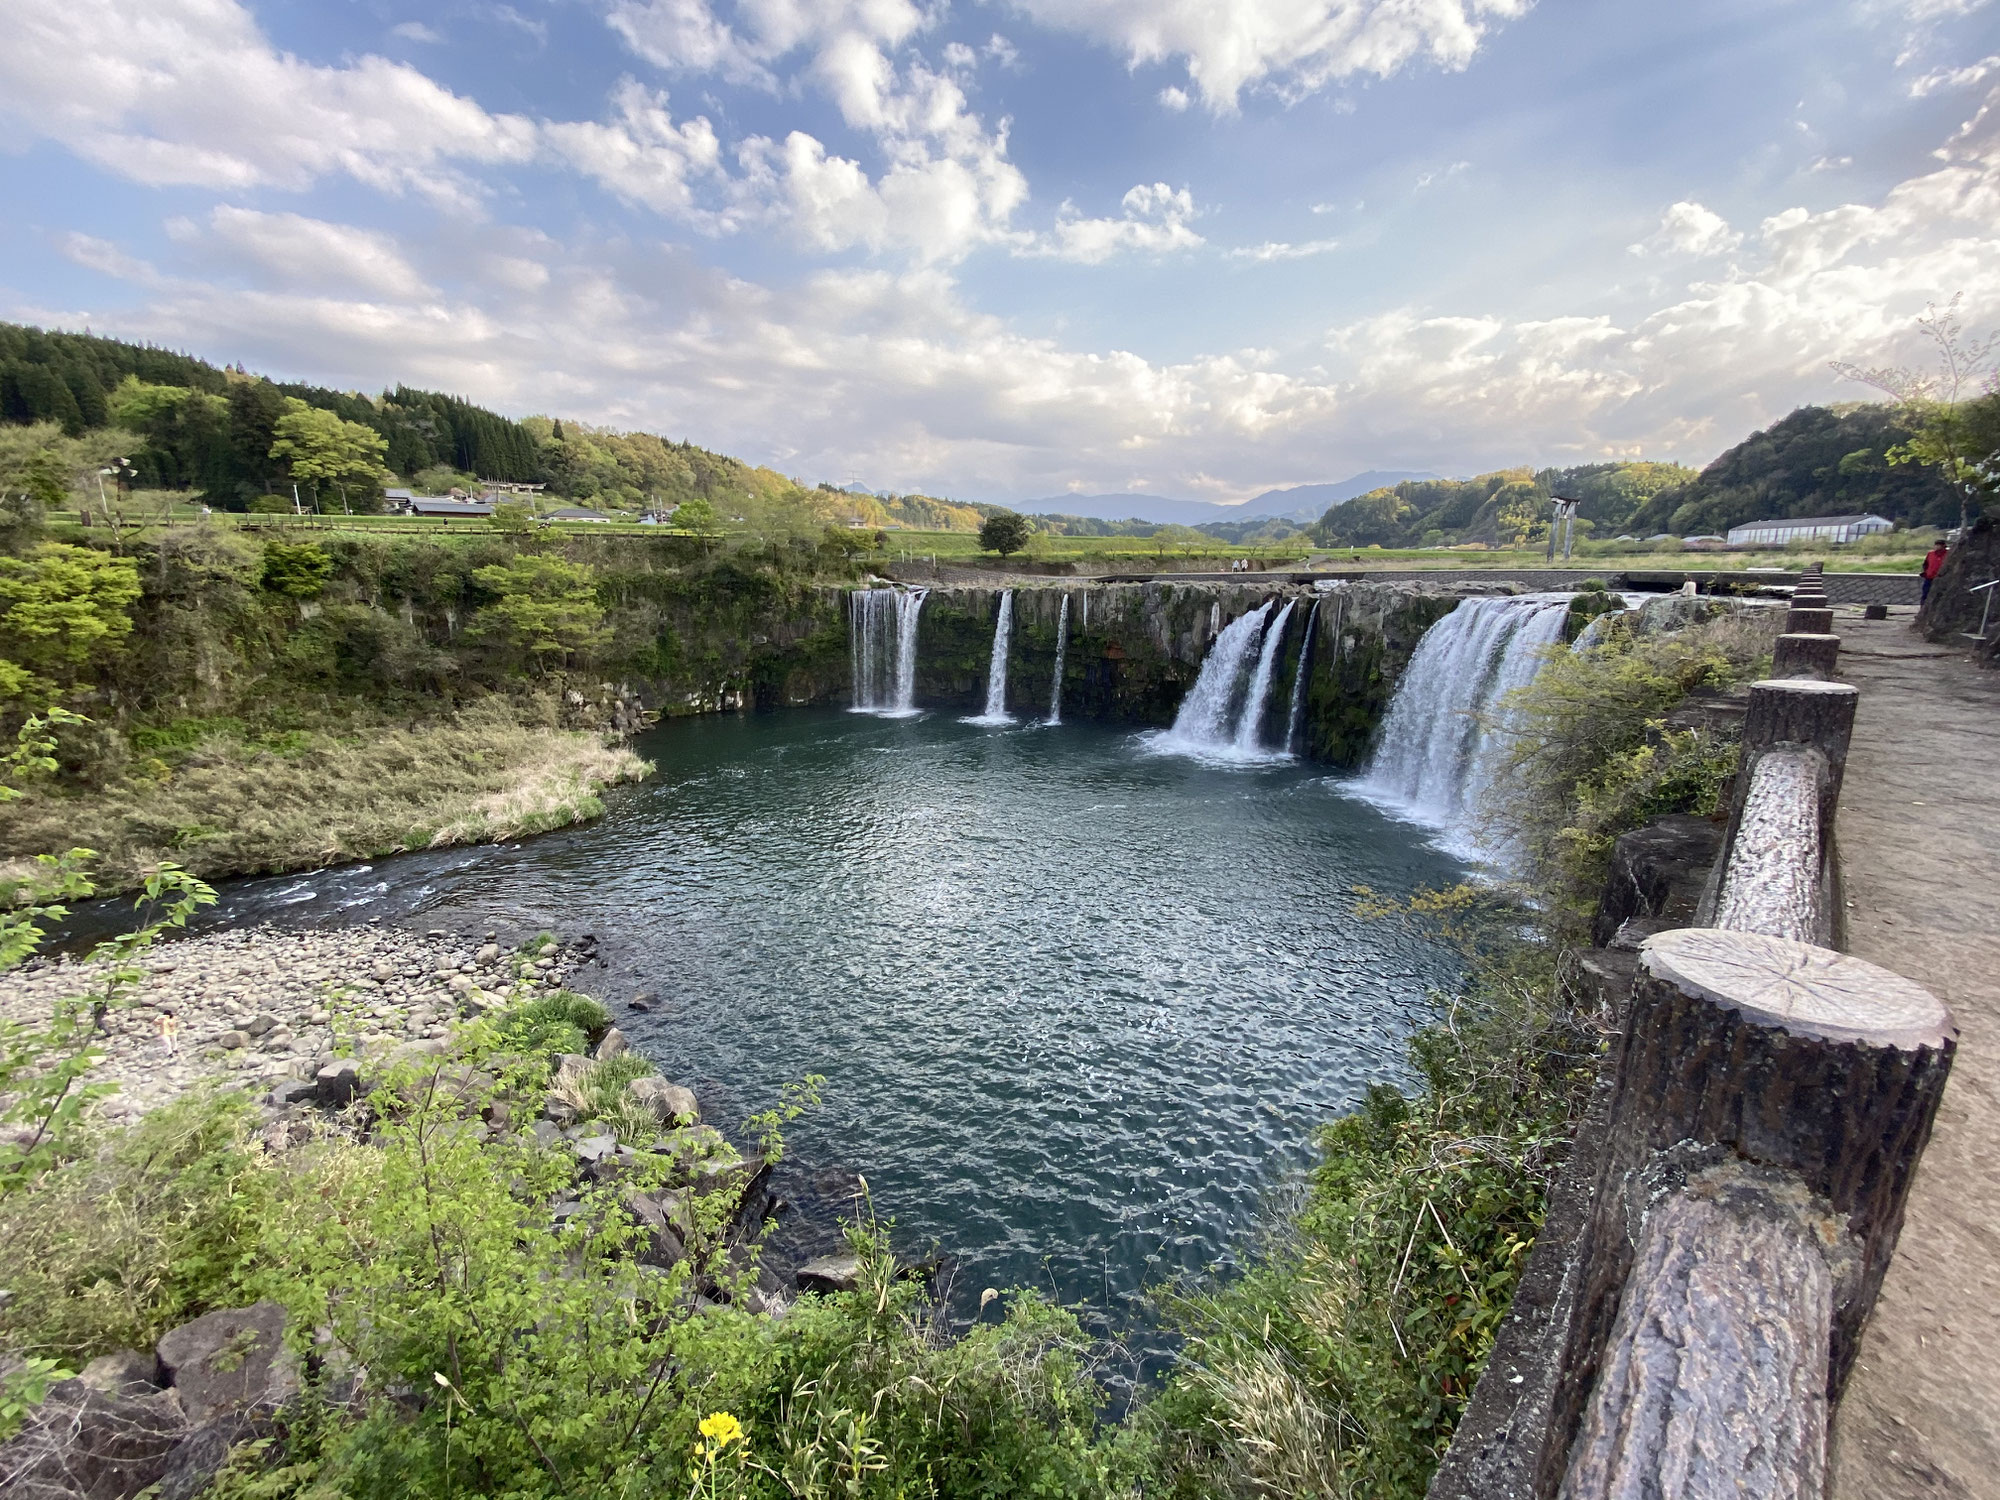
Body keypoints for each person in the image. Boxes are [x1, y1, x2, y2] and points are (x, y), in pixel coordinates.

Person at [1921, 538, 1949, 604]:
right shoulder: (1930, 554)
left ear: (1943, 546)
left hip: (1941, 578)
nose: (1936, 547)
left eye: (1938, 545)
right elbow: (1925, 564)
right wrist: (1926, 572)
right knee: (1925, 594)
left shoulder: (1948, 554)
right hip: (1929, 577)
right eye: (1936, 545)